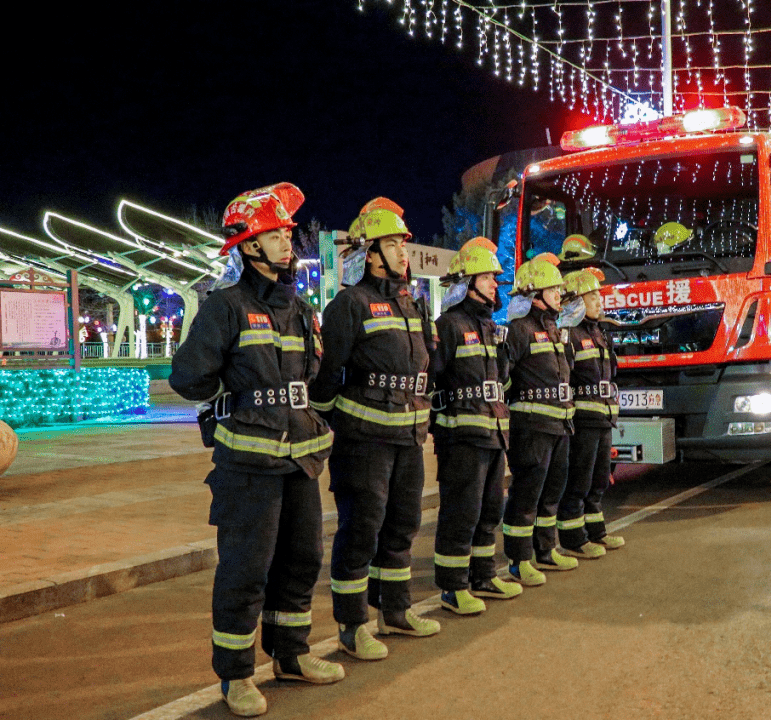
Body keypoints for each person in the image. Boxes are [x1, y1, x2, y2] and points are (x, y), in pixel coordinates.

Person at [169, 182, 342, 717]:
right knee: (246, 570)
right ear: (248, 245)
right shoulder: (225, 307)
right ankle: (237, 675)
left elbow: (311, 374)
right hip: (248, 463)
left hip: (299, 457)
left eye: (288, 231)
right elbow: (188, 377)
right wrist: (236, 396)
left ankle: (291, 655)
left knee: (303, 559)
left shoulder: (299, 309)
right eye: (275, 233)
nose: (288, 240)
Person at [309, 203, 440, 663]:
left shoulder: (411, 303)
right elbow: (328, 375)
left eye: (403, 243)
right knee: (361, 531)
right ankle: (352, 626)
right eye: (393, 244)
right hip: (363, 442)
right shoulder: (350, 304)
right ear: (370, 254)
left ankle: (395, 612)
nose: (403, 252)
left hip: (408, 439)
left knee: (403, 526)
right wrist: (331, 423)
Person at [430, 237, 524, 614]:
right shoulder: (448, 325)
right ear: (466, 284)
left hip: (493, 433)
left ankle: (483, 576)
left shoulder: (490, 327)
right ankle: (453, 588)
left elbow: (500, 381)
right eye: (486, 278)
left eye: (494, 279)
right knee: (461, 512)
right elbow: (433, 378)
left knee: (489, 510)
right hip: (462, 437)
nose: (494, 285)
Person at [501, 253, 578, 587]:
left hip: (559, 426)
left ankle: (546, 550)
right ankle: (519, 561)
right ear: (535, 294)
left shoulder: (554, 329)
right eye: (553, 289)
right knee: (526, 495)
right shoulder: (519, 330)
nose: (559, 295)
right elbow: (502, 378)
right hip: (531, 429)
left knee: (551, 491)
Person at [557, 266, 625, 558]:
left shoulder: (597, 332)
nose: (599, 301)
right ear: (575, 301)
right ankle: (574, 540)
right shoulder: (568, 334)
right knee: (579, 481)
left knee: (599, 480)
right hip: (582, 421)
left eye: (599, 295)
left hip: (603, 419)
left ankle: (597, 532)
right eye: (592, 296)